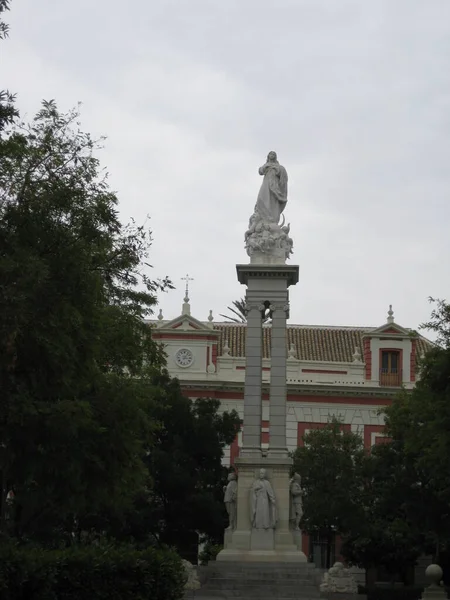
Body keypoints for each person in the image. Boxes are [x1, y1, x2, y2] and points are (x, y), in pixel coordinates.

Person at [254, 151, 288, 224]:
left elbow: (282, 175)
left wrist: (278, 169)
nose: (271, 155)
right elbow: (260, 171)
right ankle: (262, 217)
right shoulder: (266, 165)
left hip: (274, 186)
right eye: (270, 154)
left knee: (272, 201)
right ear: (268, 156)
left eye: (273, 154)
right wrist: (266, 166)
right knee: (261, 199)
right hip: (266, 184)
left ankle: (271, 218)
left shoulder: (279, 167)